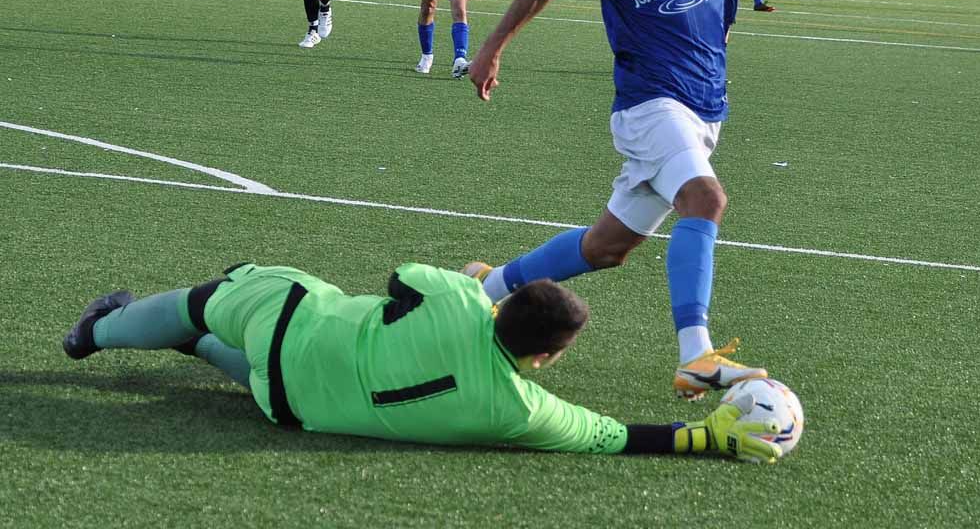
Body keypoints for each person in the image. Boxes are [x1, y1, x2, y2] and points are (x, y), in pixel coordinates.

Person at [465, 0, 825, 400]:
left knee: (605, 248)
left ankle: (488, 286)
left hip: (707, 109)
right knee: (705, 198)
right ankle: (697, 355)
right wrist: (492, 47)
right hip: (648, 106)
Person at [61, 262, 782, 463]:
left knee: (208, 299)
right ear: (544, 357)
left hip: (288, 316)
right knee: (259, 370)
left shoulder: (461, 302)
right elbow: (614, 435)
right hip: (292, 407)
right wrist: (709, 439)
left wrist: (475, 282)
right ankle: (182, 343)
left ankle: (97, 333)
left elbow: (404, 276)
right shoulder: (520, 410)